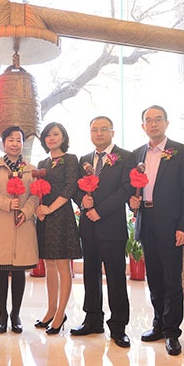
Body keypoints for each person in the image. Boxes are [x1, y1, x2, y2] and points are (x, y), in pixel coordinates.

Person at [128, 105, 184, 356]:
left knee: (172, 280)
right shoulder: (136, 154)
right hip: (146, 220)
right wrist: (131, 202)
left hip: (171, 224)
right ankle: (158, 324)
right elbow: (132, 189)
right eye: (149, 120)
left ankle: (172, 331)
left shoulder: (182, 152)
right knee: (155, 279)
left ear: (166, 123)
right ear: (143, 126)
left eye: (158, 119)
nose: (154, 124)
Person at [70, 116, 134, 347]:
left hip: (112, 226)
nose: (99, 133)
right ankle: (92, 319)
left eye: (103, 129)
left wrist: (100, 210)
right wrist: (82, 200)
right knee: (90, 275)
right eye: (94, 130)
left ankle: (119, 326)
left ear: (112, 132)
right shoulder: (85, 159)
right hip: (88, 226)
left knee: (116, 277)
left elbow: (126, 189)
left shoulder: (126, 157)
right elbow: (76, 188)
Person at [0, 126, 39, 334]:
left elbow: (35, 195)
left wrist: (25, 211)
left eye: (19, 140)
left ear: (23, 144)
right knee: (0, 270)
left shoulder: (31, 169)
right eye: (11, 140)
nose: (15, 144)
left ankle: (15, 314)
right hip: (0, 223)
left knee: (18, 271)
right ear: (3, 143)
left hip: (23, 224)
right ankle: (2, 314)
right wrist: (7, 203)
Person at [34, 122, 81, 335]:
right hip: (44, 216)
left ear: (63, 137)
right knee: (49, 265)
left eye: (55, 134)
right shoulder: (42, 163)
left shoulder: (70, 159)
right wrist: (39, 209)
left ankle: (61, 314)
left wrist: (50, 208)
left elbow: (70, 188)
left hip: (61, 215)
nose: (51, 138)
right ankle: (50, 310)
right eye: (48, 135)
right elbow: (37, 190)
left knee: (63, 265)